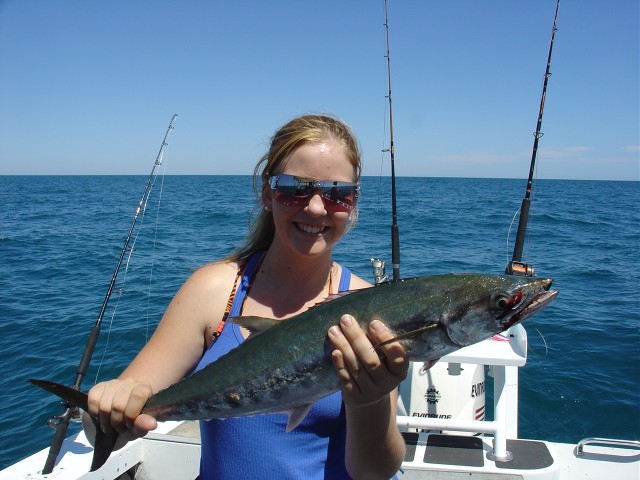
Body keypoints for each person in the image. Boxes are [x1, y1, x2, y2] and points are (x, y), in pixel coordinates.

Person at [87, 114, 412, 479]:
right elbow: (107, 418)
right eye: (295, 188)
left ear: (353, 201)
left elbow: (375, 472)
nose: (317, 207)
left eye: (338, 193)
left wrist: (368, 401)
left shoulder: (371, 312)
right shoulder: (214, 292)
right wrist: (107, 408)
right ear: (267, 192)